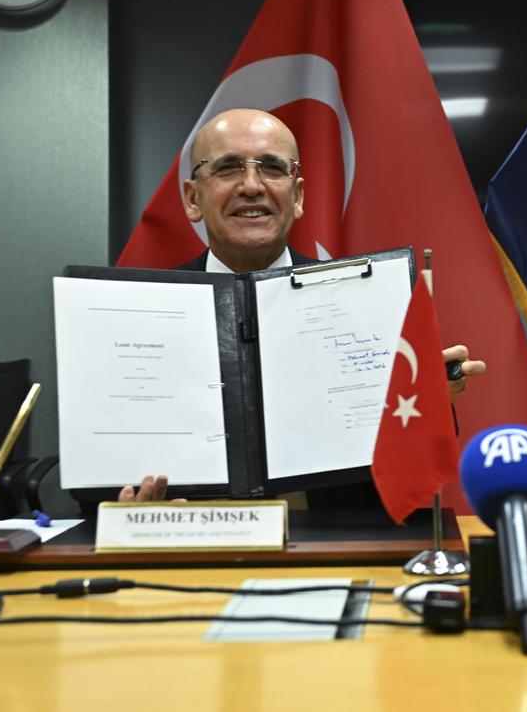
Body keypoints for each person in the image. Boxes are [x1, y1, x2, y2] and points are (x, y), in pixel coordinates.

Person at [119, 108, 484, 501]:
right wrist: (126, 506)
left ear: (297, 197)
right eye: (228, 168)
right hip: (186, 546)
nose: (252, 186)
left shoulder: (370, 302)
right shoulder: (136, 315)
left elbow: (412, 468)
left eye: (273, 169)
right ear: (193, 199)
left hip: (337, 549)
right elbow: (103, 469)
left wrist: (431, 402)